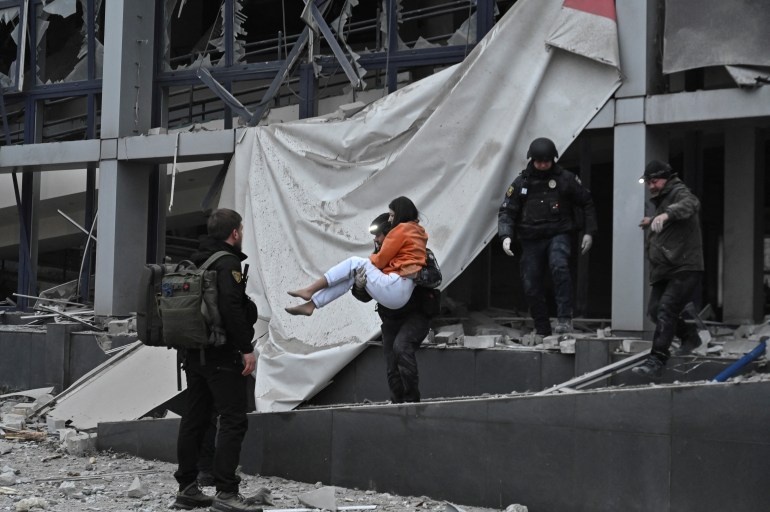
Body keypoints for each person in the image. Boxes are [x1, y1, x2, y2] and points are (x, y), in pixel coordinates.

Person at [172, 208, 265, 512]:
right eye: (241, 230)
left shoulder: (196, 260)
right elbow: (231, 310)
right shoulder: (228, 264)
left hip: (193, 352)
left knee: (195, 419)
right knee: (233, 419)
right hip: (221, 355)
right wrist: (246, 348)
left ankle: (187, 488)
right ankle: (226, 492)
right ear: (235, 233)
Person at [497, 137, 597, 336]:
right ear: (532, 160)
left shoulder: (565, 180)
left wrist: (589, 232)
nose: (543, 165)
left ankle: (564, 320)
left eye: (547, 161)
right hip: (531, 238)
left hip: (558, 233)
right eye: (539, 161)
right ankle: (542, 327)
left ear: (553, 160)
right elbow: (507, 211)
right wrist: (505, 235)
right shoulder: (521, 183)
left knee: (559, 266)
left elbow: (586, 203)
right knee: (531, 282)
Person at [352, 213, 442, 403]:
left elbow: (436, 278)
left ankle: (412, 402)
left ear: (391, 234)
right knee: (392, 364)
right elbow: (366, 296)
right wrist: (359, 286)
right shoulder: (377, 260)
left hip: (416, 315)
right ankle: (398, 405)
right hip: (391, 318)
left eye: (378, 235)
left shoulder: (417, 252)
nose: (375, 240)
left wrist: (416, 275)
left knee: (402, 347)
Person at [285, 196, 428, 316]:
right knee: (355, 273)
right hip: (403, 293)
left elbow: (379, 261)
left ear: (400, 214)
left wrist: (369, 260)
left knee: (354, 262)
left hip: (398, 289)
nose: (390, 220)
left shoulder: (400, 230)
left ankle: (310, 290)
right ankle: (312, 304)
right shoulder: (419, 233)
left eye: (392, 215)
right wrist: (359, 287)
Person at [632, 160, 704, 377]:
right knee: (654, 311)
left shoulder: (679, 191)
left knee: (666, 309)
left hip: (684, 266)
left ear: (667, 178)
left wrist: (665, 214)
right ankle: (690, 336)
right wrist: (654, 219)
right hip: (666, 267)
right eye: (649, 183)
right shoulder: (664, 198)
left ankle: (657, 359)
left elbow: (691, 204)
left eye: (655, 181)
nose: (651, 186)